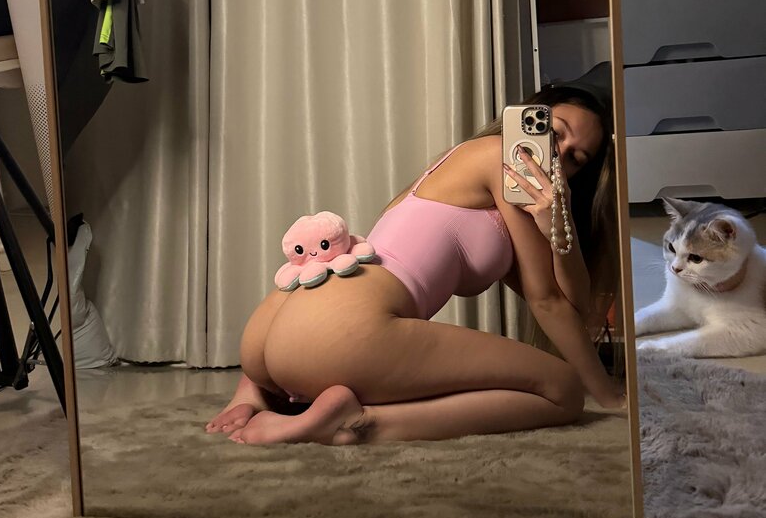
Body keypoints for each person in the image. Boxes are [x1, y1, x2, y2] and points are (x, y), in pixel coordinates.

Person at [206, 66, 627, 445]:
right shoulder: (500, 158)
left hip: (277, 330)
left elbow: (570, 303)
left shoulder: (467, 171)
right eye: (554, 133)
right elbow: (549, 302)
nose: (557, 156)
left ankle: (260, 394)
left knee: (536, 378)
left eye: (575, 158)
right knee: (563, 391)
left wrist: (558, 222)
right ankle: (360, 422)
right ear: (529, 119)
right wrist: (609, 397)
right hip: (337, 335)